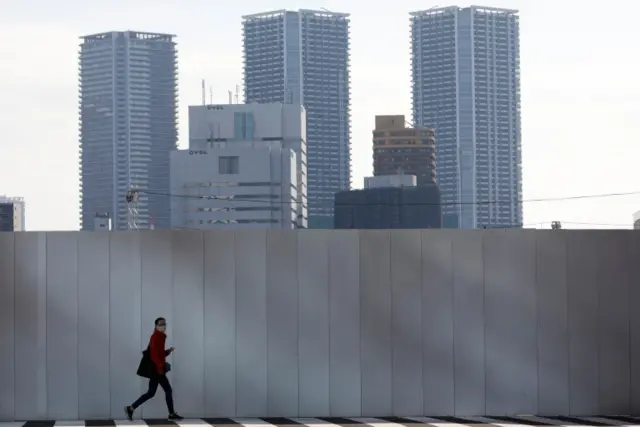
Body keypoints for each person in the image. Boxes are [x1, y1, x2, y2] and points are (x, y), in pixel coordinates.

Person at [125, 317, 183, 421]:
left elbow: (159, 354)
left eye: (164, 324)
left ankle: (131, 408)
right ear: (156, 326)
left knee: (151, 393)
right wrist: (160, 368)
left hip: (156, 370)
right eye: (161, 324)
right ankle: (171, 413)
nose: (163, 326)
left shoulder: (160, 337)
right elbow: (154, 356)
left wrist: (168, 351)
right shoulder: (155, 337)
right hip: (157, 370)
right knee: (167, 390)